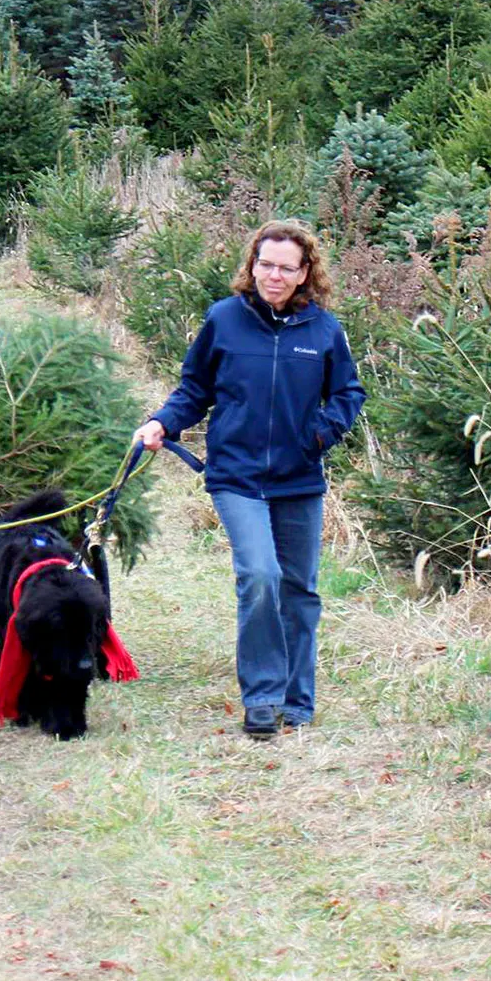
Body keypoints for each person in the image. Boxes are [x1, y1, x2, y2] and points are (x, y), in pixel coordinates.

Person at [133, 221, 365, 740]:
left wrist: (320, 435)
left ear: (305, 272)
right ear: (251, 264)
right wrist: (161, 422)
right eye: (266, 264)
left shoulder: (324, 330)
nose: (274, 276)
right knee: (260, 576)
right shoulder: (224, 320)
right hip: (235, 476)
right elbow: (194, 389)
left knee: (299, 589)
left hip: (299, 479)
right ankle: (261, 697)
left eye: (286, 267)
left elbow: (349, 394)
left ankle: (296, 700)